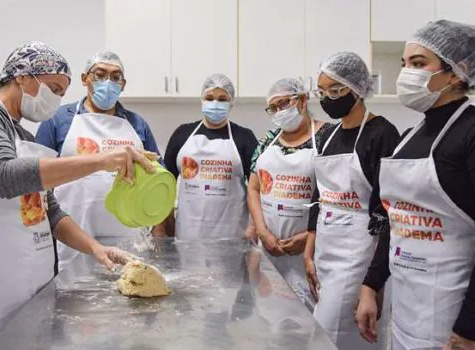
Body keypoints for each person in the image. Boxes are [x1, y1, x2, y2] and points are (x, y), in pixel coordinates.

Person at [0, 42, 153, 350]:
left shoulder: (23, 137)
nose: (57, 100)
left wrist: (96, 248)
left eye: (61, 93)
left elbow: (50, 211)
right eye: (54, 88)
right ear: (23, 77)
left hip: (16, 280)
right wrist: (101, 160)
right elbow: (1, 176)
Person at [356, 20, 475, 350]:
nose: (407, 73)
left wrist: (469, 327)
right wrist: (371, 284)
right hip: (405, 302)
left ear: (457, 72)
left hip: (452, 310)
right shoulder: (407, 139)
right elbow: (396, 221)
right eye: (405, 64)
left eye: (419, 64)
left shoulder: (469, 132)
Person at [35, 51, 164, 270]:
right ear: (85, 79)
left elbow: (157, 180)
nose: (108, 82)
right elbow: (37, 176)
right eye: (100, 75)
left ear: (123, 85)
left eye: (116, 77)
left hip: (130, 235)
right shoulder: (58, 120)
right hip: (75, 235)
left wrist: (159, 230)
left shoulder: (137, 124)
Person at [305, 51, 400, 349]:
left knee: (331, 337)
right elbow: (319, 196)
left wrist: (374, 282)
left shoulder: (381, 133)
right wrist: (309, 252)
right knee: (327, 333)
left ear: (357, 88)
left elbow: (387, 212)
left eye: (335, 90)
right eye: (322, 92)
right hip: (325, 252)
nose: (327, 98)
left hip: (357, 256)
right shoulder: (328, 135)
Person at [247, 78, 331, 308]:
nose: (279, 112)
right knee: (273, 317)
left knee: (313, 323)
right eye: (273, 108)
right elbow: (253, 187)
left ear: (302, 100)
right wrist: (263, 232)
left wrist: (309, 237)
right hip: (271, 251)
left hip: (313, 250)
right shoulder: (267, 141)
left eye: (284, 104)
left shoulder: (329, 137)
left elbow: (339, 195)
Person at [163, 73, 258, 239]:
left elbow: (257, 190)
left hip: (232, 235)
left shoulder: (245, 138)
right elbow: (164, 183)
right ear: (202, 100)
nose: (215, 103)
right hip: (187, 234)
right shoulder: (182, 134)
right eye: (210, 97)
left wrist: (254, 228)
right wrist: (165, 221)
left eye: (222, 99)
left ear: (231, 103)